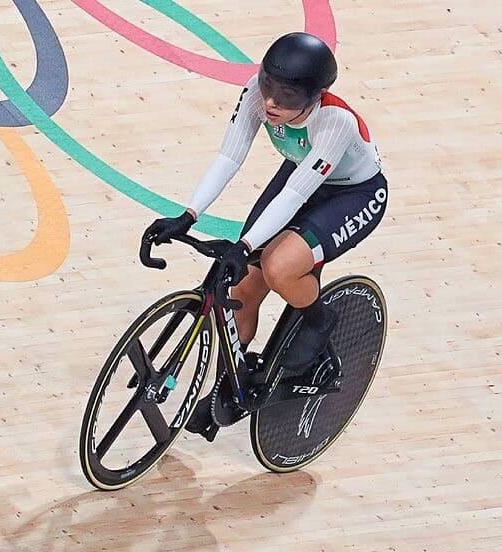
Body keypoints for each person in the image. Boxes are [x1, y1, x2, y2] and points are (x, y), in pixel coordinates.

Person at [143, 32, 388, 434]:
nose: (272, 102)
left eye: (287, 96)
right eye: (268, 87)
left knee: (277, 268)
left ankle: (318, 320)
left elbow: (296, 194)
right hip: (301, 177)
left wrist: (246, 245)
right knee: (240, 289)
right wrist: (188, 215)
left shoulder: (334, 122)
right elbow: (229, 156)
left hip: (352, 195)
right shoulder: (257, 95)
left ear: (313, 96)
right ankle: (232, 387)